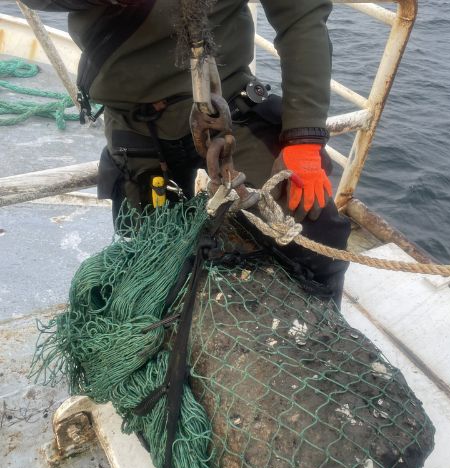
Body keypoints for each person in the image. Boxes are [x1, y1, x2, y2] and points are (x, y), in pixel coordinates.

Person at [21, 0, 351, 304]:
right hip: (136, 122)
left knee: (317, 235)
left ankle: (320, 340)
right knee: (149, 257)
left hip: (227, 104)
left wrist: (304, 139)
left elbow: (301, 17)